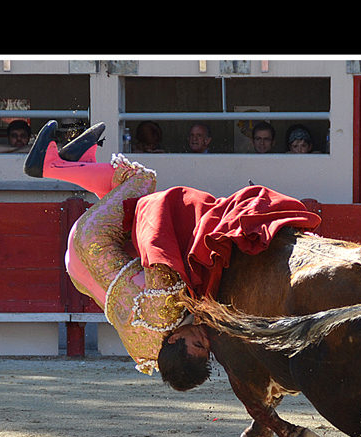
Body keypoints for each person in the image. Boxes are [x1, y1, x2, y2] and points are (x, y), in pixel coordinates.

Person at [23, 120, 321, 384]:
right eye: (207, 350)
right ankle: (83, 162)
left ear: (176, 337)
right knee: (126, 207)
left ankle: (48, 165)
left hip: (92, 241)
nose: (206, 340)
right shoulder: (151, 356)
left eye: (198, 344)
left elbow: (161, 251)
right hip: (79, 273)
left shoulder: (165, 305)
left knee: (141, 181)